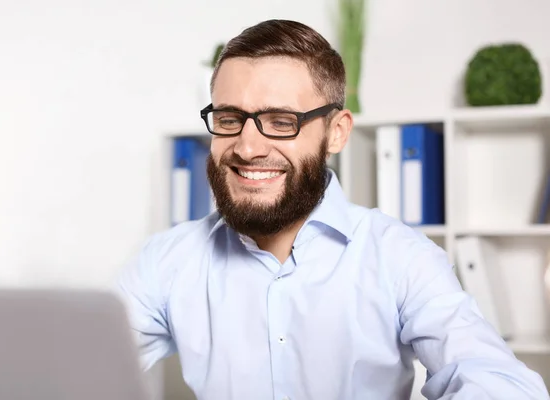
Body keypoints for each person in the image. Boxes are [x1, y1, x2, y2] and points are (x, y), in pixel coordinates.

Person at [116, 19, 549, 400]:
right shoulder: (166, 261)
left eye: (282, 122)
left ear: (337, 132)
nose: (247, 147)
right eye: (229, 118)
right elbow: (73, 367)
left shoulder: (399, 257)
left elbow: (495, 381)